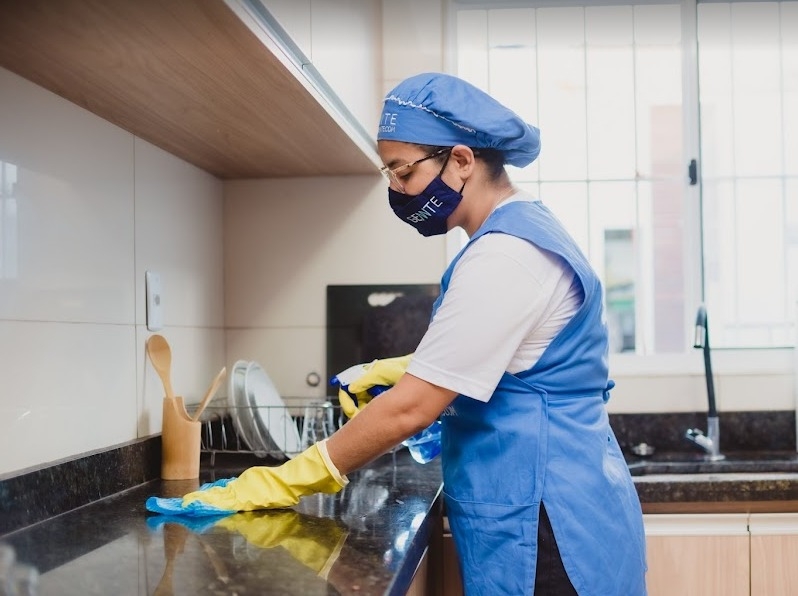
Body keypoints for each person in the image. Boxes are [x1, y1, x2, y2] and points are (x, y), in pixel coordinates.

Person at [147, 72, 647, 595]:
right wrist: (393, 369)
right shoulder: (516, 234)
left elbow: (413, 408)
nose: (397, 189)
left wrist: (280, 481)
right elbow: (516, 358)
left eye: (403, 172)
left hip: (549, 525)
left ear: (460, 161)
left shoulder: (506, 255)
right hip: (552, 505)